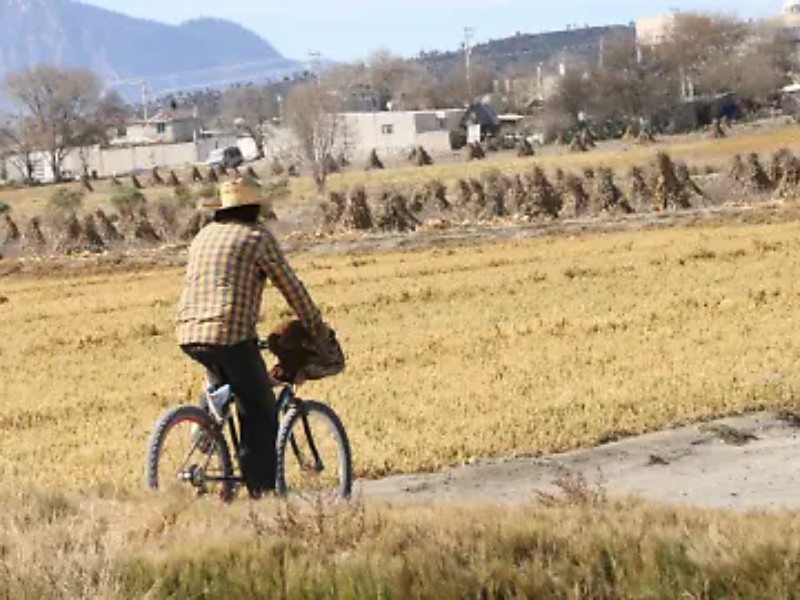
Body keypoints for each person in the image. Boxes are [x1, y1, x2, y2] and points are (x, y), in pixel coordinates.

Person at [177, 176, 328, 498]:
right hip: (230, 335)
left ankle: (204, 423)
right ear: (254, 208)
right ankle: (262, 495)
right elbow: (290, 286)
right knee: (260, 411)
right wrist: (315, 324)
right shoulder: (256, 237)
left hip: (189, 333)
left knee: (224, 373)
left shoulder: (204, 236)